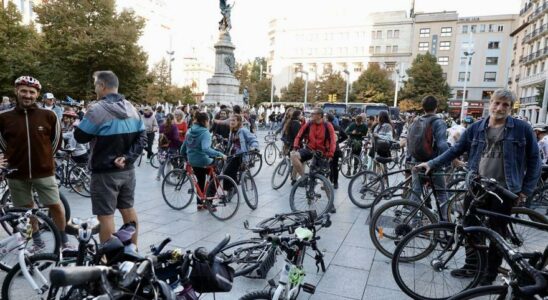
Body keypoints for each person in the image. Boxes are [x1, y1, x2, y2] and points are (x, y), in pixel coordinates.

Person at [415, 89, 541, 285]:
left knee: (497, 235)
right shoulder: (476, 128)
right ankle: (472, 266)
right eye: (497, 103)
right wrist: (431, 164)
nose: (499, 108)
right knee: (469, 227)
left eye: (505, 105)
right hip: (477, 186)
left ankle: (488, 275)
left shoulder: (522, 128)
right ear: (490, 103)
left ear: (510, 108)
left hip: (504, 190)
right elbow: (456, 150)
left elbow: (535, 160)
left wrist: (526, 190)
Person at [74, 71, 146, 247]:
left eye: (95, 85)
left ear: (102, 86)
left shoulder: (97, 110)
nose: (95, 89)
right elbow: (142, 138)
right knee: (128, 210)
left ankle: (109, 259)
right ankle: (133, 250)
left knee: (105, 216)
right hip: (127, 171)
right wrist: (127, 158)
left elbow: (80, 136)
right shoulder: (131, 108)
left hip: (104, 172)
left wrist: (83, 117)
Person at [0, 76, 70, 251]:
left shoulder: (49, 115)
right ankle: (37, 241)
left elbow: (56, 141)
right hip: (16, 173)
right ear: (16, 91)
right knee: (26, 211)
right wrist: (9, 158)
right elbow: (1, 142)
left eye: (32, 92)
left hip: (44, 172)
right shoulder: (4, 117)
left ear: (37, 94)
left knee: (55, 205)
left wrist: (45, 158)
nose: (27, 95)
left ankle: (63, 241)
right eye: (23, 91)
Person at [407, 96, 451, 219]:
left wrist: (409, 159)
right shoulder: (438, 122)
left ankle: (413, 222)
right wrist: (453, 159)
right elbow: (442, 144)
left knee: (416, 192)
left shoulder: (415, 121)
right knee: (442, 193)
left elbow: (409, 141)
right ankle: (444, 222)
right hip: (433, 163)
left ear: (423, 107)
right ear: (436, 107)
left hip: (416, 162)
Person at [180, 112, 226, 210]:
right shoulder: (205, 132)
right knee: (216, 176)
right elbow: (206, 149)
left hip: (193, 161)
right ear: (205, 121)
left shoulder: (189, 131)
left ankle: (200, 203)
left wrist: (187, 158)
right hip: (204, 160)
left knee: (200, 180)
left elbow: (182, 149)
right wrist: (220, 154)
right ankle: (208, 201)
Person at [291, 108, 336, 179]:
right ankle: (303, 178)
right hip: (310, 149)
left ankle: (325, 185)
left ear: (319, 116)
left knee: (323, 180)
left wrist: (331, 154)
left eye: (313, 114)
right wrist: (295, 146)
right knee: (294, 156)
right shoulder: (309, 124)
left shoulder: (327, 125)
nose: (311, 115)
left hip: (322, 153)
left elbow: (333, 141)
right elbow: (299, 136)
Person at [224, 114, 259, 185]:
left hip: (240, 155)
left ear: (239, 122)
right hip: (233, 155)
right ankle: (233, 186)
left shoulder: (243, 130)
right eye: (230, 120)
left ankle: (230, 189)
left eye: (234, 120)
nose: (231, 122)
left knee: (227, 172)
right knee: (229, 172)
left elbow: (253, 139)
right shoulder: (232, 131)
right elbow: (230, 144)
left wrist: (254, 147)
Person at [156, 113, 181, 180]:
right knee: (169, 163)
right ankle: (167, 179)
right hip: (172, 147)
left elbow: (160, 137)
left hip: (163, 147)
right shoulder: (174, 127)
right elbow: (176, 138)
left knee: (162, 162)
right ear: (173, 119)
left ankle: (158, 176)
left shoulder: (161, 126)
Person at [326, 113, 347, 190]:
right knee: (335, 166)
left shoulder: (326, 127)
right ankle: (335, 183)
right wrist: (338, 142)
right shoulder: (338, 127)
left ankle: (328, 181)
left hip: (327, 149)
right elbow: (345, 136)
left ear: (327, 119)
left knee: (328, 166)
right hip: (336, 149)